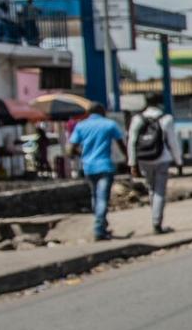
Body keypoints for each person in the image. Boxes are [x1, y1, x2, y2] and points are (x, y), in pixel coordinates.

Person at [68, 101, 126, 242]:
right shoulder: (109, 124)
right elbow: (121, 144)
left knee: (95, 196)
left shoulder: (81, 126)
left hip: (88, 167)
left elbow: (70, 150)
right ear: (102, 112)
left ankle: (101, 224)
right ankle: (99, 228)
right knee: (102, 197)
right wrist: (128, 160)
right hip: (105, 166)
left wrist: (82, 153)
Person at [127, 92, 183, 235]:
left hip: (144, 159)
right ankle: (156, 222)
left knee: (151, 189)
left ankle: (155, 217)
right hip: (162, 158)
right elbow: (173, 142)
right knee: (159, 192)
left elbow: (132, 141)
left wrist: (132, 163)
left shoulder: (137, 119)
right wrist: (179, 161)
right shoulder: (166, 119)